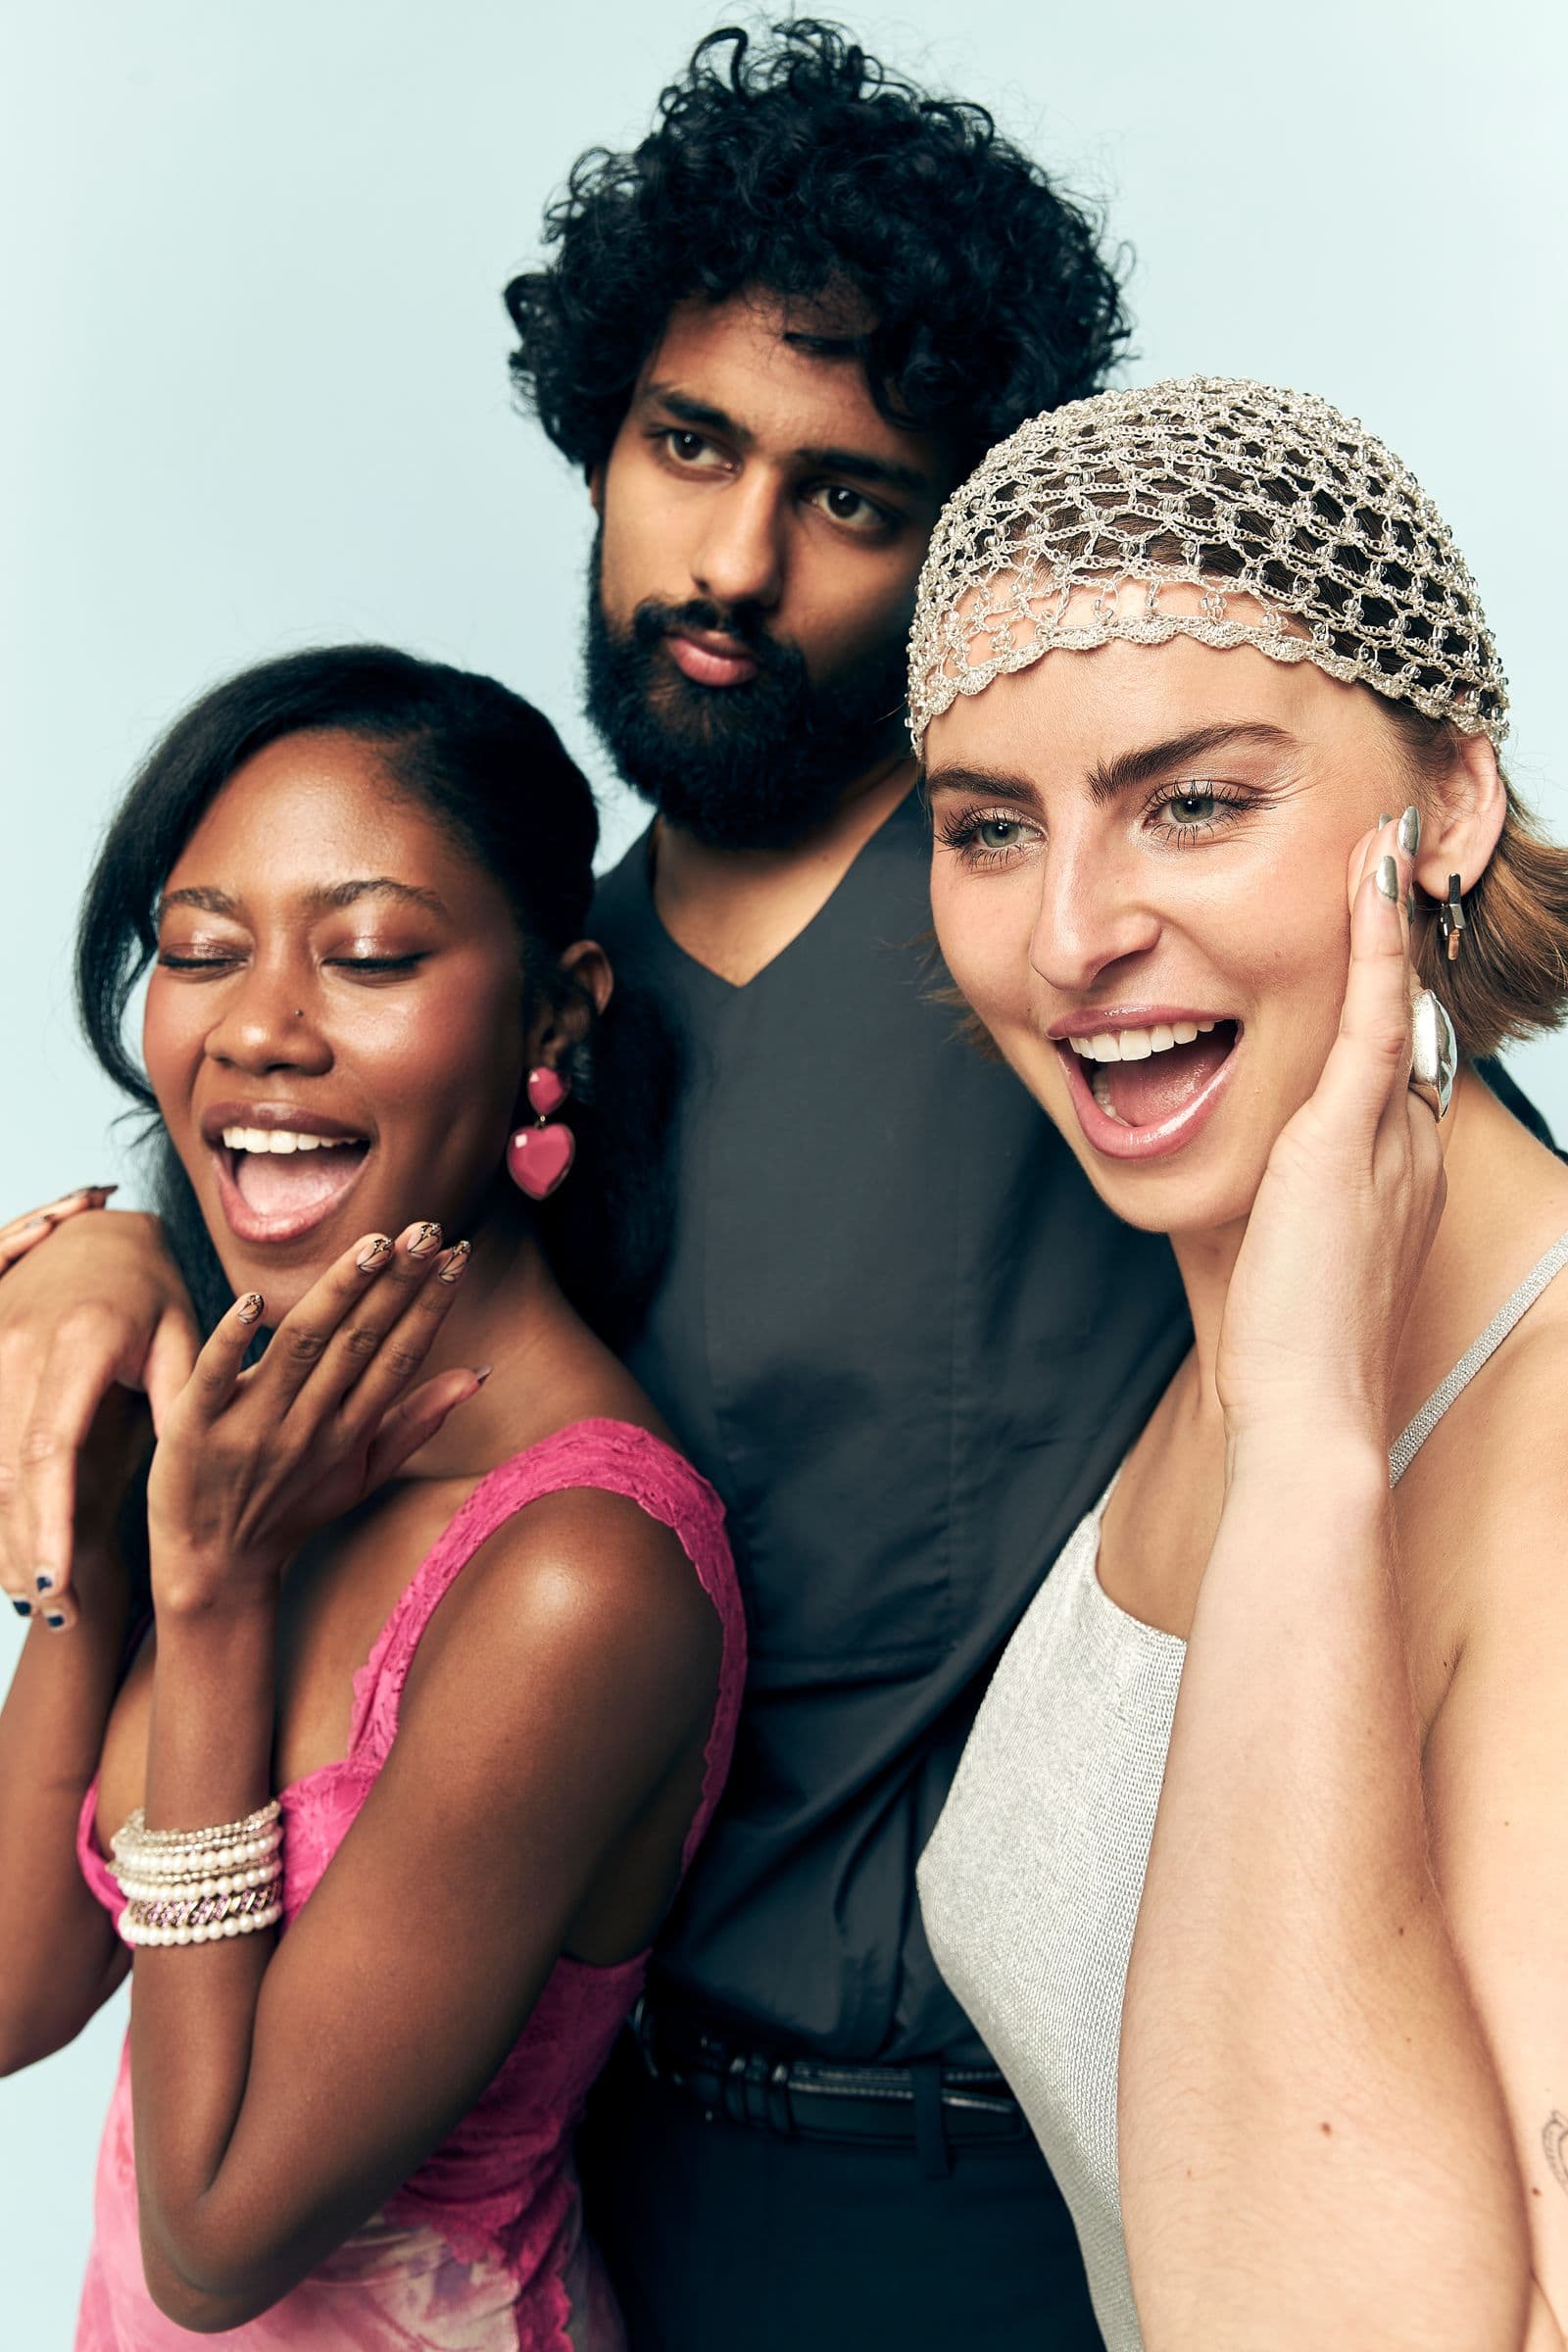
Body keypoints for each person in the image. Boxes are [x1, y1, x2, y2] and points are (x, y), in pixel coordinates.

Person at [912, 378, 1568, 2347]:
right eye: (988, 830)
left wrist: (1305, 1459)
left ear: (1448, 807)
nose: (1068, 937)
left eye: (1192, 803)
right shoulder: (1199, 1317)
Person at [0, 645, 744, 2350]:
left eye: (369, 957)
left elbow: (214, 2244)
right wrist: (101, 1495)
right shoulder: (242, 1459)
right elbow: (15, 1988)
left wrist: (212, 1600)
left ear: (554, 1016)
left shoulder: (582, 1574)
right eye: (202, 953)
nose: (260, 1028)